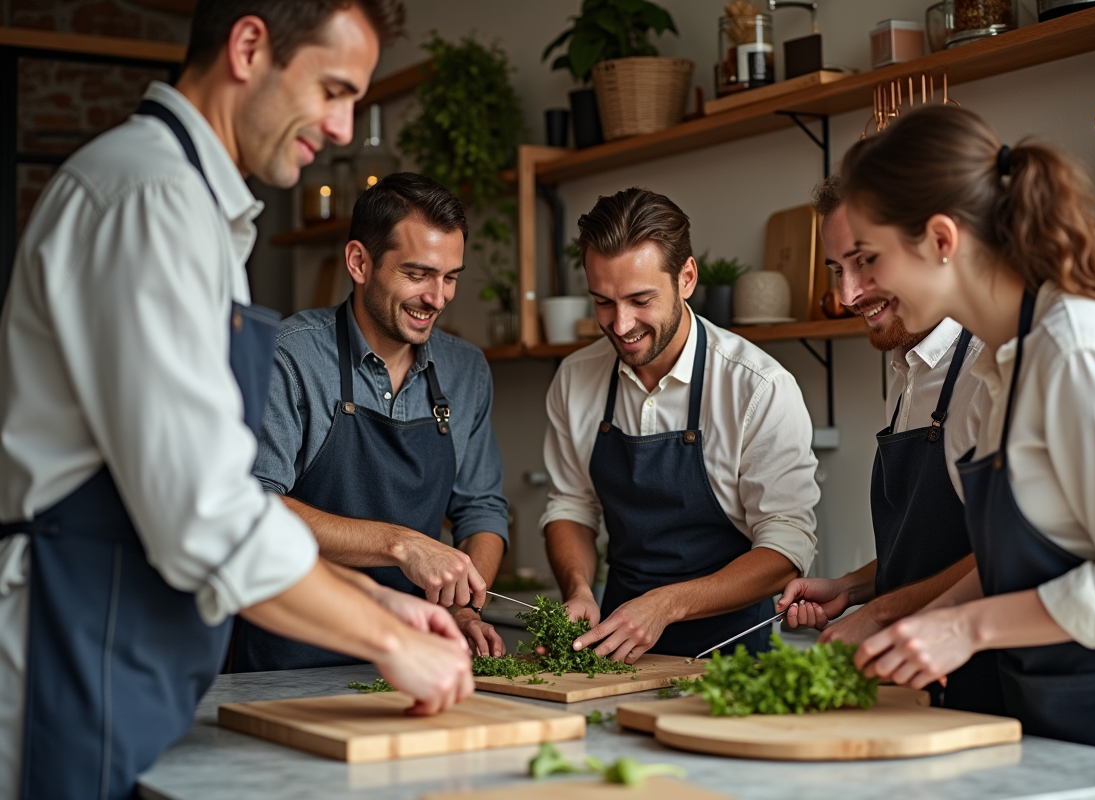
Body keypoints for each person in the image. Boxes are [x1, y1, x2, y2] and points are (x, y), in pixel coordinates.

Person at [0, 2, 475, 797]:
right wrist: (387, 642)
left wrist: (373, 603)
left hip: (122, 651)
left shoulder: (196, 207)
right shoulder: (152, 198)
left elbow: (212, 488)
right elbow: (205, 509)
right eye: (331, 89)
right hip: (72, 646)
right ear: (250, 46)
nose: (340, 126)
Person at [843, 105, 1095, 763]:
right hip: (1055, 717)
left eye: (868, 259)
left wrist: (965, 627)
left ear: (941, 240)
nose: (852, 290)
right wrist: (919, 626)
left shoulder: (1075, 353)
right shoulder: (1000, 363)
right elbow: (1022, 559)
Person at [231, 172, 510, 669]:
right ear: (360, 262)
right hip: (289, 655)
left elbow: (482, 510)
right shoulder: (289, 358)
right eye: (418, 274)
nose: (438, 297)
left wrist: (462, 605)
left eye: (451, 277)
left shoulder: (466, 371)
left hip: (409, 660)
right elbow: (255, 508)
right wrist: (402, 545)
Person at [540, 187, 821, 663]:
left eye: (640, 299)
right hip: (616, 649)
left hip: (733, 655)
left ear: (686, 277)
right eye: (603, 302)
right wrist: (580, 589)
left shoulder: (759, 387)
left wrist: (665, 606)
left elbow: (786, 548)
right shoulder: (576, 378)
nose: (621, 323)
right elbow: (571, 506)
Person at [775, 176, 1001, 714]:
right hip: (923, 680)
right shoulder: (907, 366)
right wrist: (851, 590)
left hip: (995, 677)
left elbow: (1012, 555)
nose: (847, 294)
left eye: (864, 263)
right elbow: (933, 546)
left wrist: (877, 615)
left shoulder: (991, 368)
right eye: (837, 271)